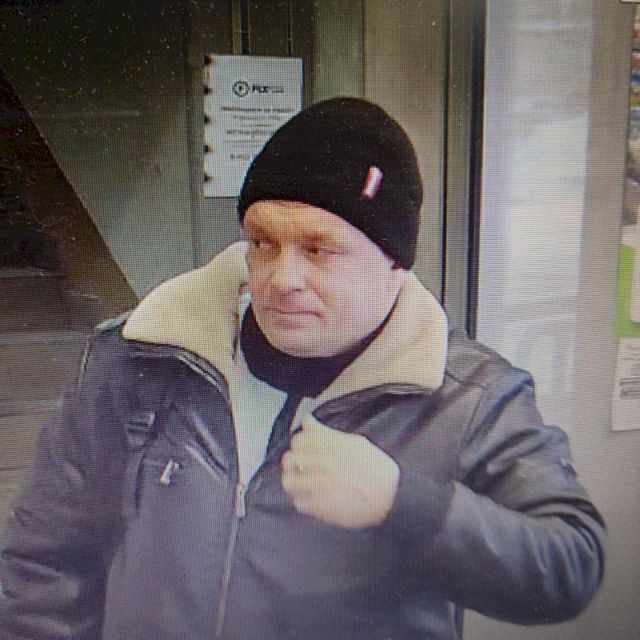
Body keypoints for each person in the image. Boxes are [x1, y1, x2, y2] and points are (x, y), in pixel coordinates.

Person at [0, 97, 605, 640]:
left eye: (319, 250)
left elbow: (570, 561)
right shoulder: (145, 357)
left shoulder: (465, 396)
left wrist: (403, 504)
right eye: (263, 242)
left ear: (394, 264)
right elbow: (45, 564)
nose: (282, 278)